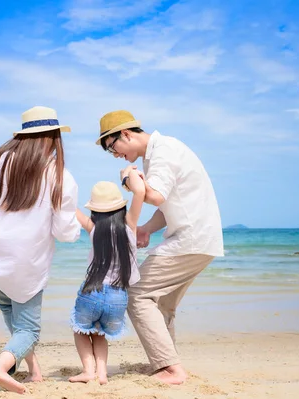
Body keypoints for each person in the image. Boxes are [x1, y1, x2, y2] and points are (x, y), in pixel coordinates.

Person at [0, 106, 81, 394]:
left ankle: (34, 371)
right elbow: (65, 233)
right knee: (28, 329)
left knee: (10, 311)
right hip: (26, 265)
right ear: (54, 137)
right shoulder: (60, 176)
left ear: (22, 136)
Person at [96, 110, 224, 384]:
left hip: (190, 239)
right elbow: (169, 205)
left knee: (138, 294)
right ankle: (167, 364)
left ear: (126, 134)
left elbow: (155, 196)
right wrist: (145, 229)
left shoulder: (163, 152)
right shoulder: (162, 151)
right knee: (162, 303)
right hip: (199, 239)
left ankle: (171, 368)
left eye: (112, 147)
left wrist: (130, 180)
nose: (115, 154)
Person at [69, 173, 145, 385]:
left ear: (94, 210)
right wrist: (129, 175)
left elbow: (69, 208)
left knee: (80, 330)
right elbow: (140, 191)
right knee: (100, 333)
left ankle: (88, 371)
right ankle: (101, 374)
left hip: (91, 292)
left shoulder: (92, 227)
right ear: (121, 207)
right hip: (118, 296)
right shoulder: (129, 225)